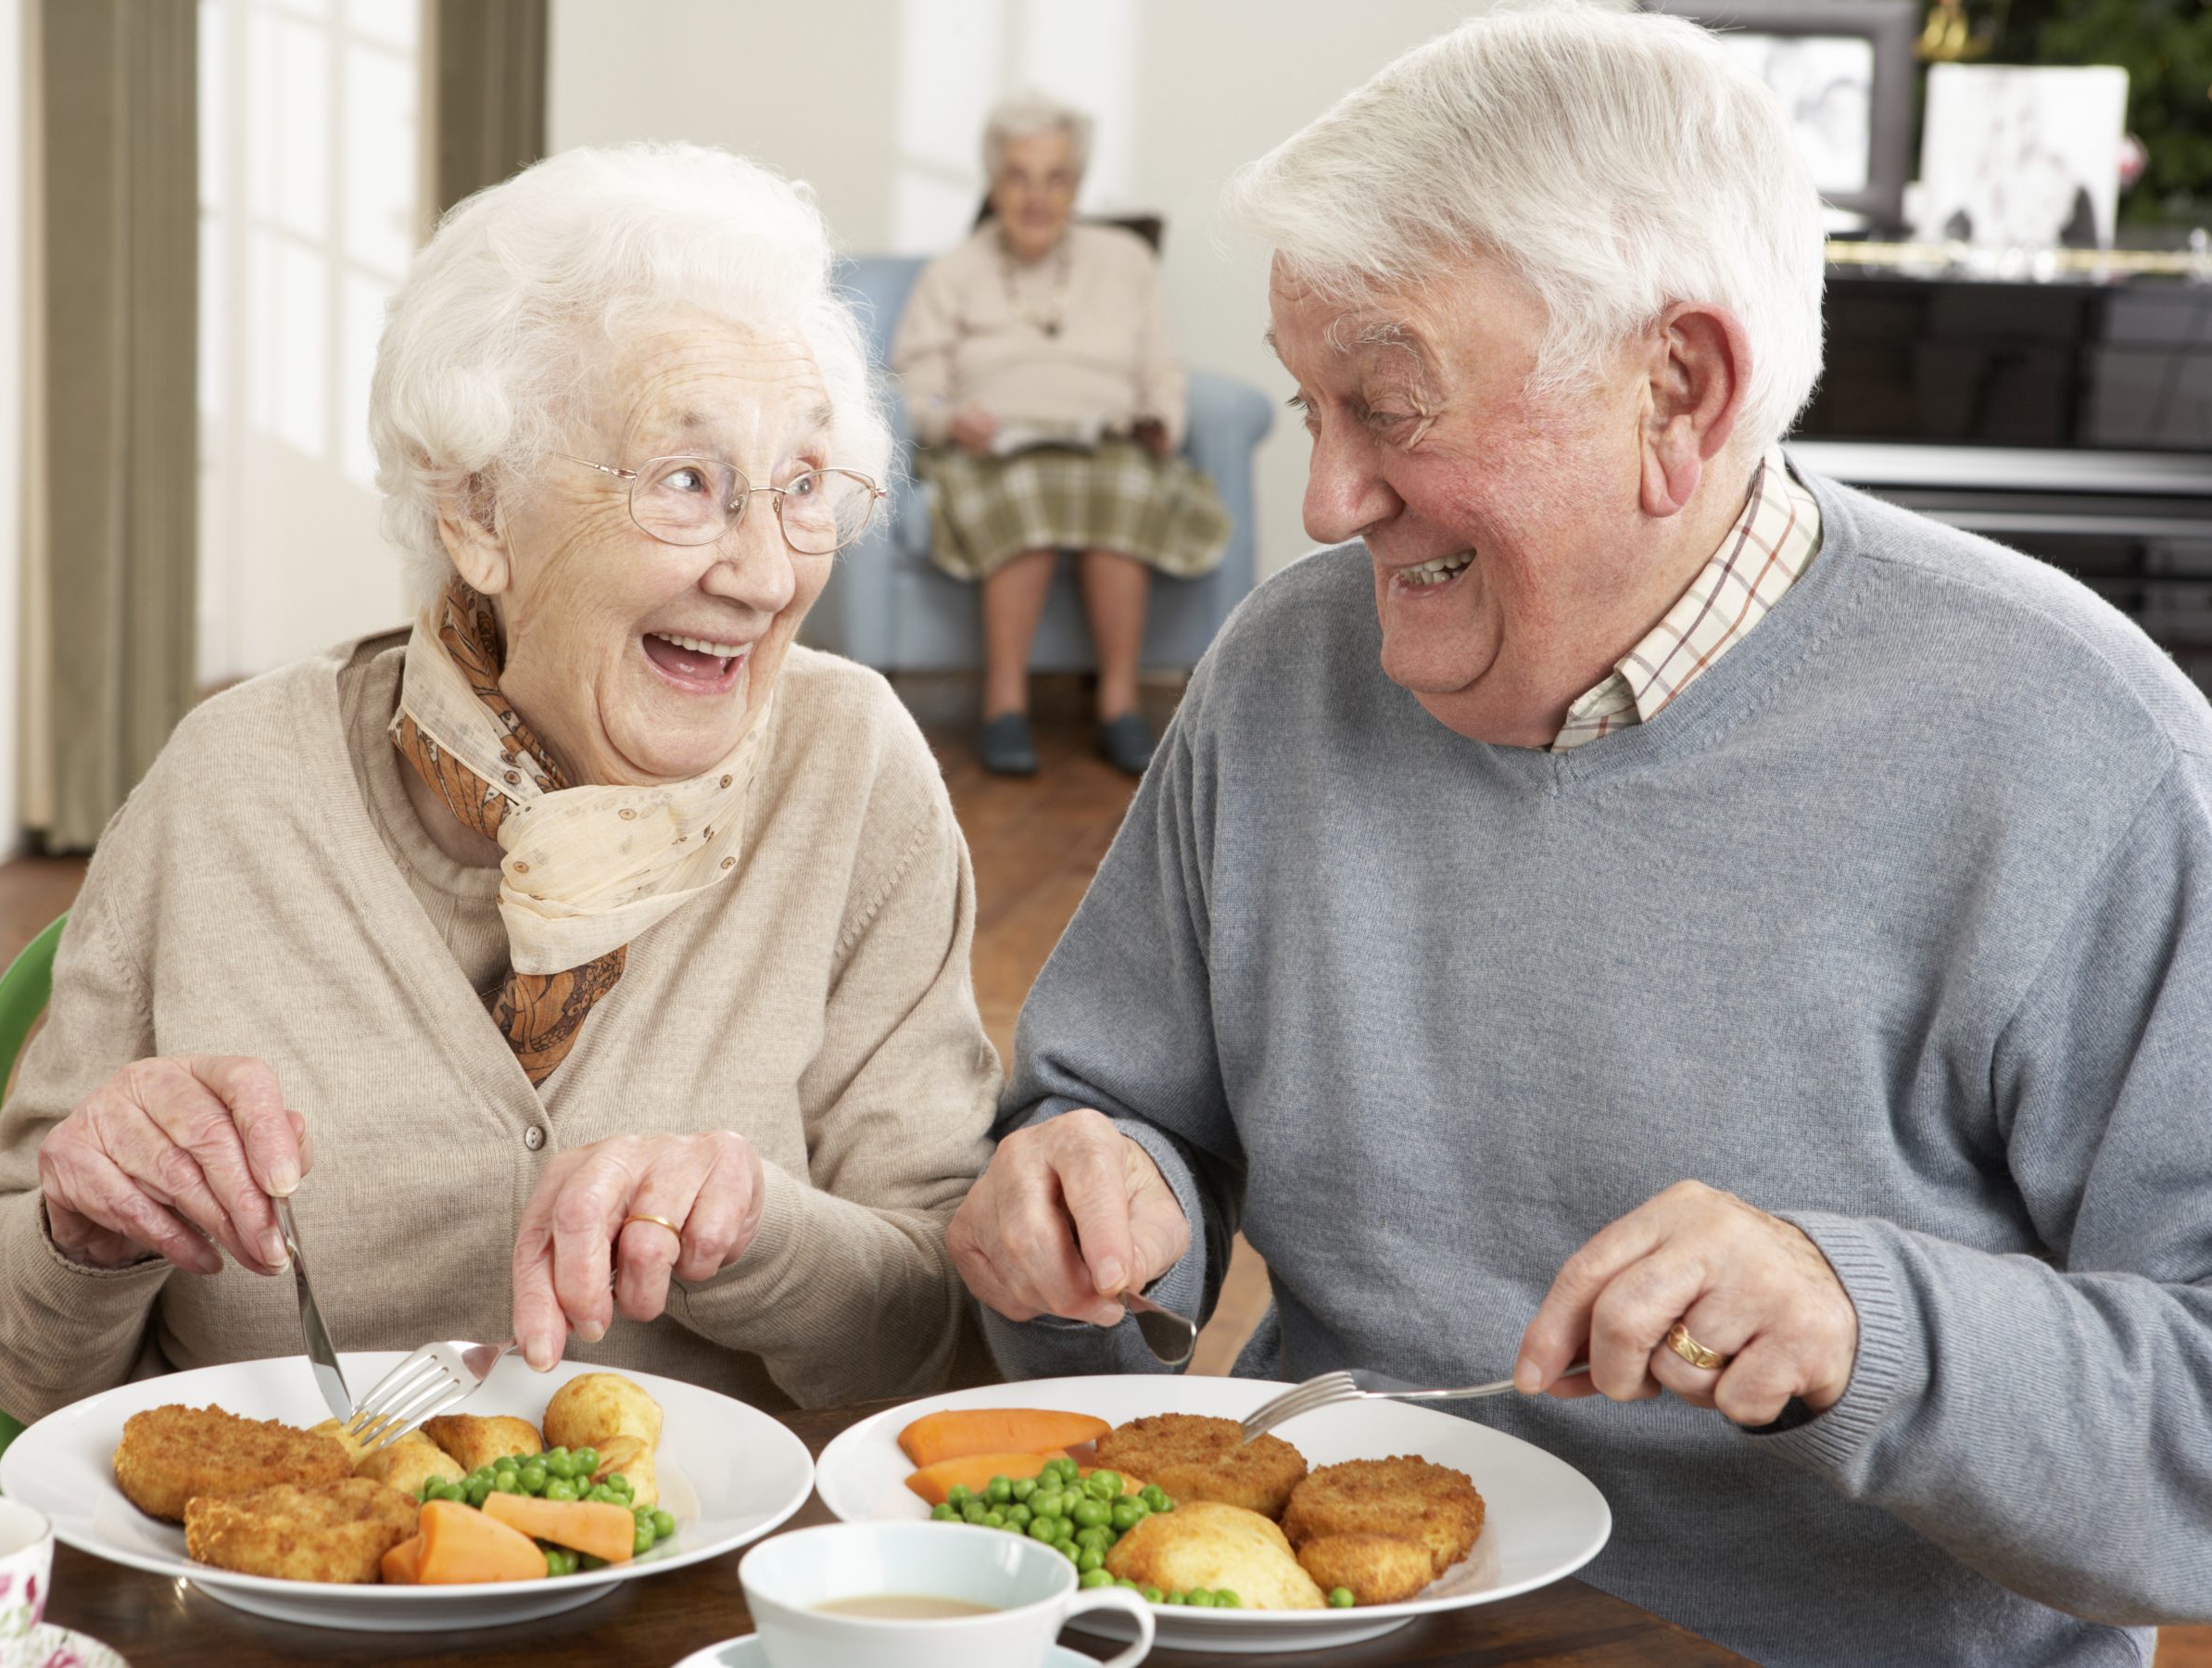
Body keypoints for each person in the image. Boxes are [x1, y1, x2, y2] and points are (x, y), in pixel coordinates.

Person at [942, 8, 2212, 1666]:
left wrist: (1865, 1324)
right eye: (1307, 403)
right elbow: (1107, 1120)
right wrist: (1080, 1215)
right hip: (1316, 1627)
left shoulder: (2087, 755)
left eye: (1389, 407)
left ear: (1677, 392)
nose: (1325, 500)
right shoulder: (1280, 673)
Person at [0, 144, 1004, 1422]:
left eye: (801, 488)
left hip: (714, 1609)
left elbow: (944, 1346)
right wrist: (85, 1224)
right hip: (286, 1586)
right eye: (687, 483)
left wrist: (761, 1236)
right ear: (479, 514)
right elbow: (14, 1351)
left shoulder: (851, 772)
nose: (767, 574)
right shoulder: (229, 786)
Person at [891, 94, 1231, 778]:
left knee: (1125, 485)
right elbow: (912, 382)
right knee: (1028, 492)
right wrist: (950, 417)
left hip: (1105, 439)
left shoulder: (1127, 260)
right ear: (995, 183)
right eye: (1018, 176)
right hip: (995, 449)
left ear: (1077, 184)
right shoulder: (952, 273)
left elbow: (1162, 365)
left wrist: (1162, 421)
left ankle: (1119, 706)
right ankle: (1004, 706)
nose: (1037, 196)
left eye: (1055, 178)